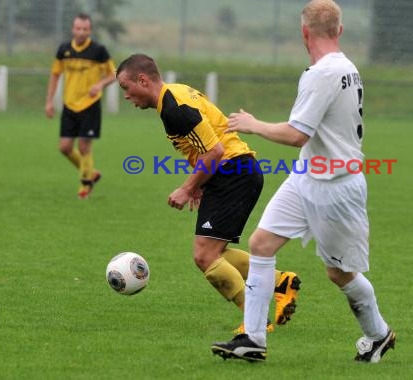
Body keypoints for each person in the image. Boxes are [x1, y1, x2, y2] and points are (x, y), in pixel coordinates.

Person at [211, 0, 395, 363]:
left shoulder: (323, 73)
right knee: (261, 243)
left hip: (336, 187)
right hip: (306, 176)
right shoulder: (346, 67)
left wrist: (253, 125)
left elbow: (297, 134)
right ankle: (253, 339)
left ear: (304, 32)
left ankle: (379, 334)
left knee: (339, 273)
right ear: (339, 30)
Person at [115, 54, 301, 333]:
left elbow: (215, 151)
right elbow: (207, 146)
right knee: (215, 252)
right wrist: (201, 184)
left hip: (233, 172)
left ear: (143, 80)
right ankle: (279, 283)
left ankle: (256, 324)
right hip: (232, 172)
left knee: (204, 255)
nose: (126, 96)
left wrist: (187, 188)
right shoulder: (174, 96)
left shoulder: (173, 106)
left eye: (126, 88)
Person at [45, 13, 116, 199]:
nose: (81, 32)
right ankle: (91, 172)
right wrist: (49, 101)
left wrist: (100, 85)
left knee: (84, 147)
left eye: (85, 29)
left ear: (90, 30)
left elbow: (113, 74)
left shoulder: (98, 51)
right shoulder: (64, 50)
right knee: (65, 147)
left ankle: (85, 185)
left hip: (90, 105)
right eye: (78, 28)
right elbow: (55, 74)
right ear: (72, 29)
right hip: (69, 105)